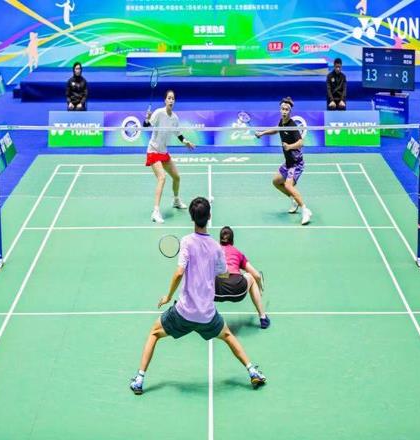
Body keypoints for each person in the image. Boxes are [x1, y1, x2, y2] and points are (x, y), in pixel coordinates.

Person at [130, 197, 266, 395]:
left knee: (154, 333)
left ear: (191, 217)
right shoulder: (216, 248)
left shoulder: (186, 241)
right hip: (207, 315)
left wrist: (168, 296)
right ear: (209, 216)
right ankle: (252, 371)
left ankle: (139, 380)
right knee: (228, 336)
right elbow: (224, 273)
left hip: (183, 312)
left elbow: (179, 272)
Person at [255, 97, 312, 225]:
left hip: (296, 163)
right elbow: (277, 129)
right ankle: (294, 199)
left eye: (286, 109)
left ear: (290, 111)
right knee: (276, 181)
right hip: (288, 162)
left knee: (288, 185)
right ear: (280, 110)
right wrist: (262, 133)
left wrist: (289, 147)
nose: (284, 111)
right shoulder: (282, 122)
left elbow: (301, 143)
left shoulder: (292, 126)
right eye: (282, 109)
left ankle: (305, 210)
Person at [143, 90, 195, 224]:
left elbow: (178, 134)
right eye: (169, 98)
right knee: (162, 177)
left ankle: (176, 200)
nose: (171, 100)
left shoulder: (175, 118)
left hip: (163, 152)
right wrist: (147, 119)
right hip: (153, 150)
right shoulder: (158, 113)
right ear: (165, 100)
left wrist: (186, 142)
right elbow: (146, 126)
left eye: (173, 98)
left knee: (176, 177)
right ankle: (155, 212)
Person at [215, 226, 270, 329]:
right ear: (232, 241)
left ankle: (197, 318)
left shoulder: (213, 252)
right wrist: (259, 288)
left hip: (216, 293)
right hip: (237, 291)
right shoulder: (238, 253)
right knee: (250, 276)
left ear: (219, 240)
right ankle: (263, 318)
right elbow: (257, 275)